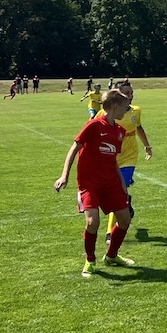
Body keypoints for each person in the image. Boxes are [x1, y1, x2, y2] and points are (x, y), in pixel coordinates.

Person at [53, 88, 137, 278]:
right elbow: (74, 148)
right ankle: (90, 260)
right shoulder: (93, 125)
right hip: (89, 183)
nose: (127, 109)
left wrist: (122, 185)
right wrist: (64, 176)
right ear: (115, 106)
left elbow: (113, 161)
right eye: (125, 106)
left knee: (125, 220)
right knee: (92, 222)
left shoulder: (120, 131)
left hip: (111, 183)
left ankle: (112, 256)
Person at [104, 80, 153, 247]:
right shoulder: (107, 113)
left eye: (131, 93)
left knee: (117, 192)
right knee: (115, 194)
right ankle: (127, 202)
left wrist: (147, 146)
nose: (130, 96)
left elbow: (139, 127)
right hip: (111, 159)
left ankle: (110, 232)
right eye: (126, 93)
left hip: (129, 158)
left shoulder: (136, 111)